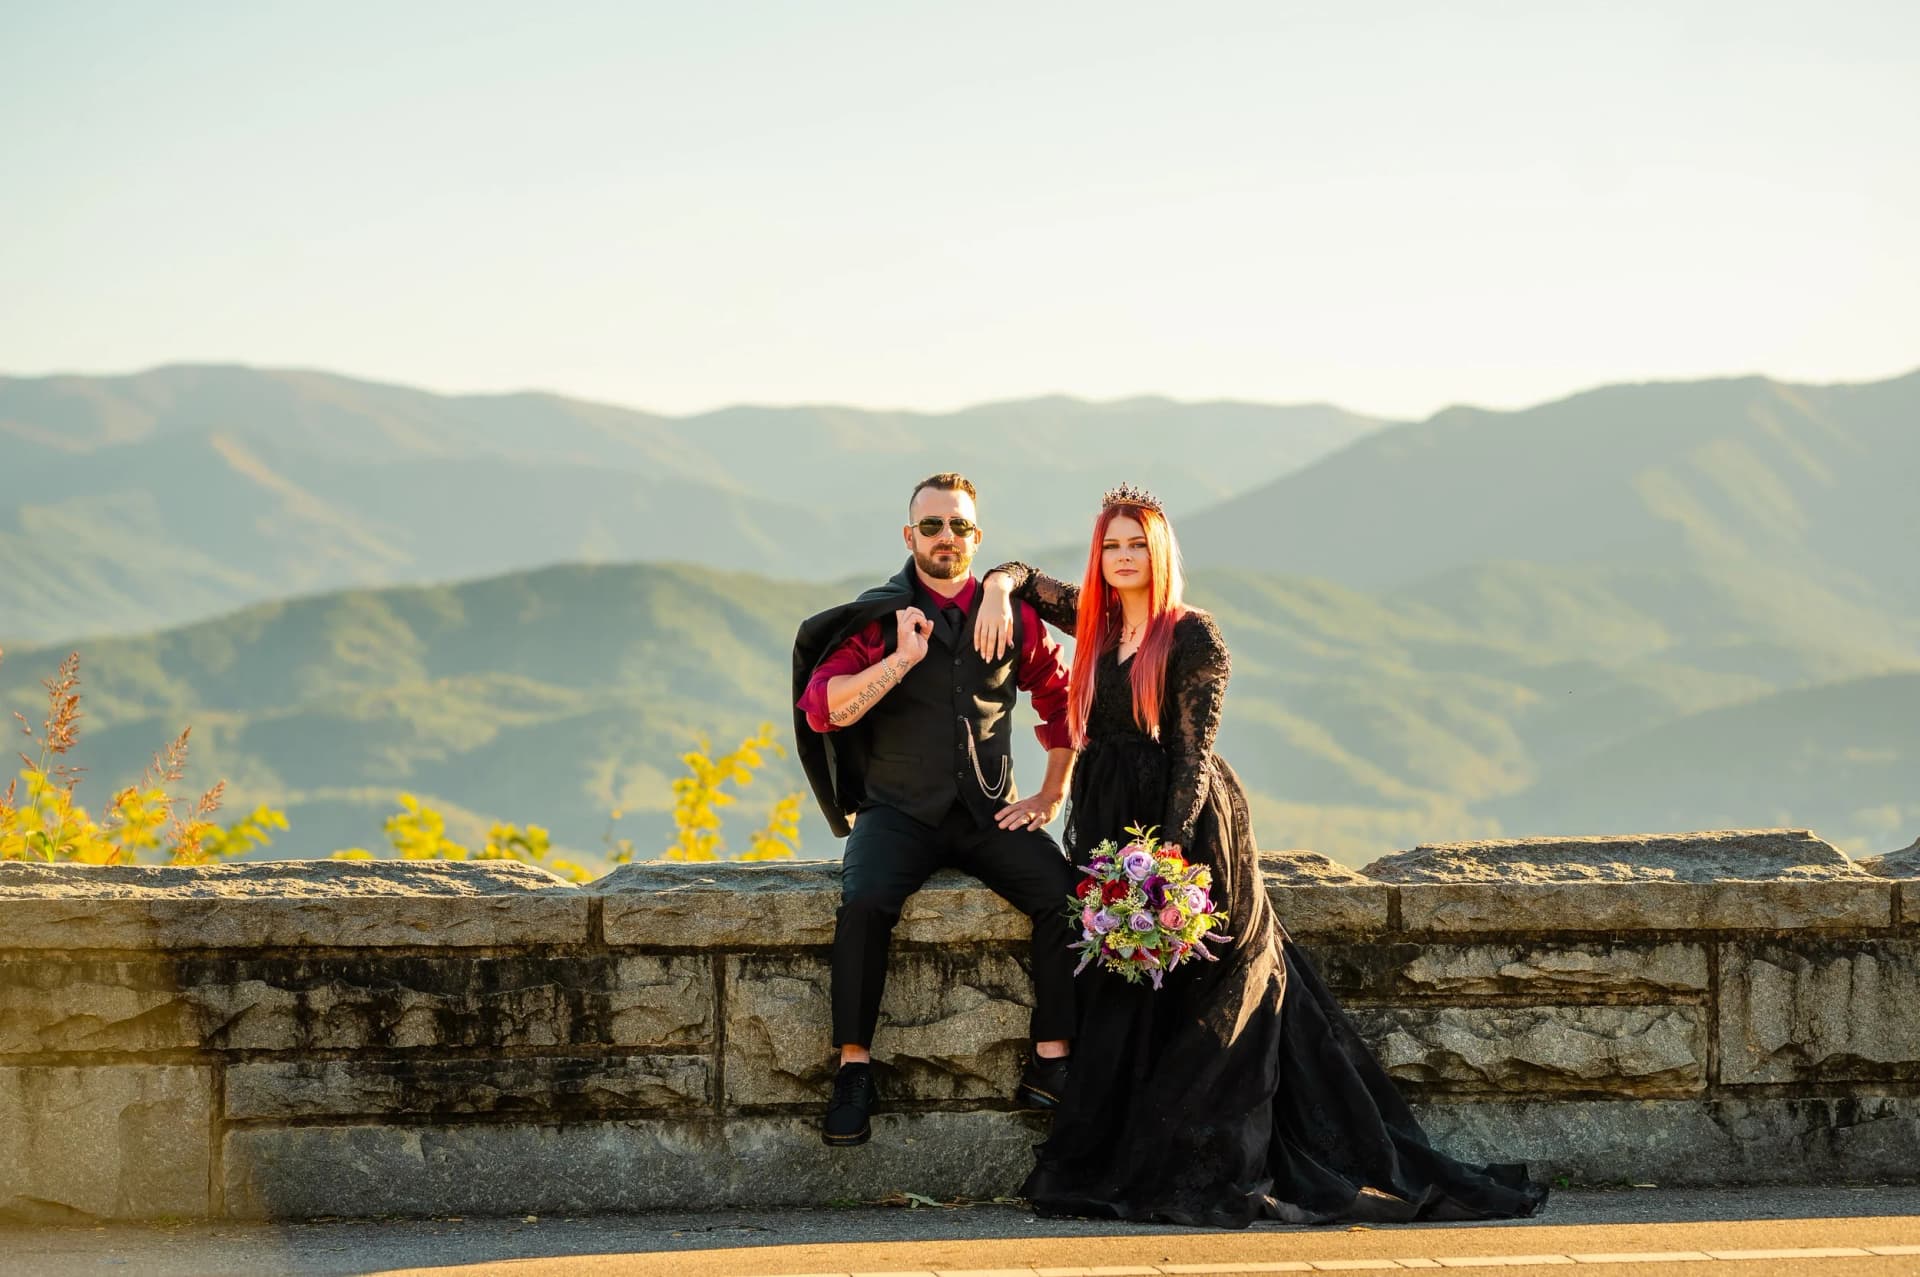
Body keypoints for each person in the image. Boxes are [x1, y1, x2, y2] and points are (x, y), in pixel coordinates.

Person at [970, 481, 1548, 1227]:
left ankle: (1207, 1162)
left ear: (1161, 551)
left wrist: (1165, 862)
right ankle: (1122, 1157)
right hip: (1114, 826)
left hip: (1182, 832)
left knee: (1197, 1001)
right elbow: (1021, 573)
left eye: (1136, 543)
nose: (1122, 556)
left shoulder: (1191, 635)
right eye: (1111, 544)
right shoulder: (1094, 622)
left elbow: (1193, 756)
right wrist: (995, 584)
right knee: (1128, 1000)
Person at [793, 471, 1079, 1148]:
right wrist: (901, 658)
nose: (945, 537)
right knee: (863, 903)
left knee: (1067, 896)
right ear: (909, 535)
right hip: (897, 812)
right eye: (931, 526)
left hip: (989, 811)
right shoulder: (879, 617)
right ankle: (855, 1068)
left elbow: (1063, 698)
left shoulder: (1013, 616)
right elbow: (824, 707)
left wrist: (1051, 792)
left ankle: (1051, 1060)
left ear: (976, 537)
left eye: (958, 526)